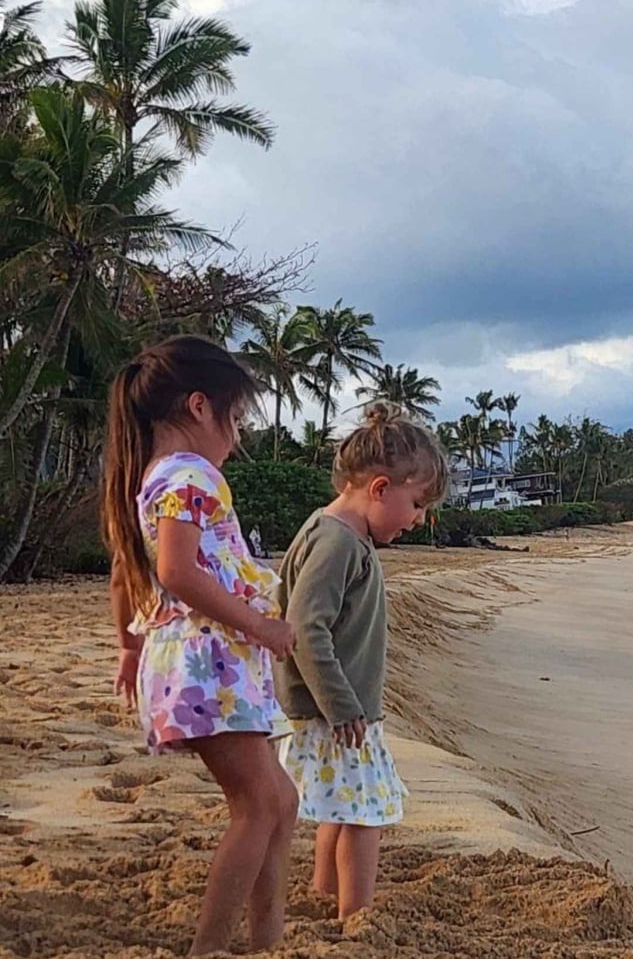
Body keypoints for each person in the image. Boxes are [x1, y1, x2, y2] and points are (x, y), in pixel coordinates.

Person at [101, 336, 299, 956]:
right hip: (207, 662)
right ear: (198, 407)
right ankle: (208, 949)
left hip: (201, 662)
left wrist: (130, 650)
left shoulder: (150, 480)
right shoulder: (190, 476)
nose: (236, 438)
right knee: (258, 804)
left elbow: (122, 573)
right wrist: (264, 626)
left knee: (279, 800)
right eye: (235, 418)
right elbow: (177, 573)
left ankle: (267, 939)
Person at [276, 404, 449, 918]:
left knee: (342, 809)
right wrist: (342, 706)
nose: (418, 520)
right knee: (366, 815)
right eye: (416, 504)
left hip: (338, 710)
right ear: (379, 488)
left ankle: (326, 896)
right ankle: (357, 915)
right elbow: (305, 628)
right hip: (338, 713)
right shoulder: (337, 543)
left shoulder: (340, 535)